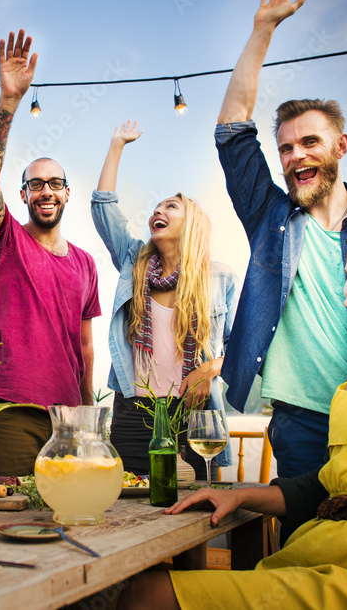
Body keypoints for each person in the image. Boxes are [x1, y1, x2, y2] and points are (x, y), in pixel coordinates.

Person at [118, 207, 347, 610]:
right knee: (146, 587)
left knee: (149, 596)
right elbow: (326, 485)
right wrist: (241, 496)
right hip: (320, 553)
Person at [213, 0, 347, 538]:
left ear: (341, 146)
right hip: (299, 420)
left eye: (310, 143)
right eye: (287, 147)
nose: (296, 156)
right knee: (311, 543)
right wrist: (262, 29)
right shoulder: (270, 218)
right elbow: (231, 132)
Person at [0, 29, 102, 477]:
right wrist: (9, 100)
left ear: (67, 194)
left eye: (54, 184)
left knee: (67, 518)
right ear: (22, 195)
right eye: (35, 185)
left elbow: (85, 346)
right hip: (9, 405)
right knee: (8, 519)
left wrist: (87, 413)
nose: (46, 191)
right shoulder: (6, 237)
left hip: (67, 418)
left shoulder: (85, 263)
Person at [91, 121, 235, 480]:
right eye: (157, 208)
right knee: (126, 505)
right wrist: (116, 144)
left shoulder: (219, 278)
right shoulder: (134, 263)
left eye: (171, 206)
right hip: (134, 411)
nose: (160, 211)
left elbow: (244, 346)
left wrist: (209, 369)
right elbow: (104, 209)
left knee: (196, 514)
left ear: (192, 225)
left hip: (193, 412)